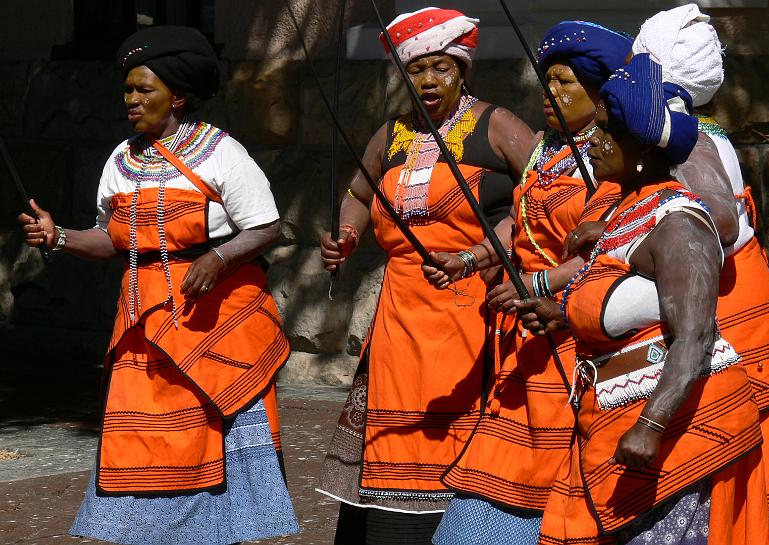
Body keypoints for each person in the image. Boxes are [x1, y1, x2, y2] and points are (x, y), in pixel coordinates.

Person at [18, 26, 297, 545]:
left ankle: (215, 532)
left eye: (144, 90)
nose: (132, 100)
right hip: (141, 323)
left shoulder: (220, 153)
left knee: (212, 435)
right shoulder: (120, 163)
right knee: (143, 438)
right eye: (128, 90)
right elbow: (110, 240)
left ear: (179, 95)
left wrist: (218, 256)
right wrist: (60, 238)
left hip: (213, 318)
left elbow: (265, 225)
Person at [515, 52, 769, 545]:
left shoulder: (678, 224)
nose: (594, 140)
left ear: (644, 150)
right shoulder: (627, 208)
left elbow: (695, 338)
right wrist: (563, 313)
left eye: (608, 133)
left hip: (680, 434)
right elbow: (627, 300)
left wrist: (651, 425)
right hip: (609, 417)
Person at [316, 7, 534, 544]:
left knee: (461, 418)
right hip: (400, 312)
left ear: (462, 70)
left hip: (476, 306)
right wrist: (345, 235)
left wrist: (483, 252)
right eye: (417, 70)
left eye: (440, 67)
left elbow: (548, 196)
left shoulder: (496, 125)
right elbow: (358, 194)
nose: (428, 81)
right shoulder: (389, 135)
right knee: (396, 425)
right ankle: (396, 519)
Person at [421, 21, 633, 545]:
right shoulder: (544, 149)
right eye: (547, 82)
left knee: (568, 472)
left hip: (578, 337)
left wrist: (537, 283)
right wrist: (470, 260)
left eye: (565, 83)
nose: (550, 94)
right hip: (525, 340)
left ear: (601, 90)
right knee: (501, 473)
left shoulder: (615, 159)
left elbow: (614, 247)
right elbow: (518, 224)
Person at [632, 7, 769, 543]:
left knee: (732, 453)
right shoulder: (700, 131)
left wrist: (636, 242)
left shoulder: (689, 139)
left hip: (730, 310)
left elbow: (719, 223)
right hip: (745, 299)